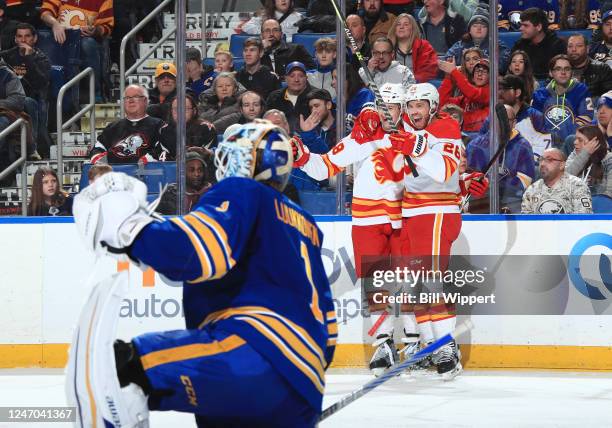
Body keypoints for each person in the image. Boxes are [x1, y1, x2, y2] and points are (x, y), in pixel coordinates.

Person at [71, 121, 336, 426]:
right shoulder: (306, 225)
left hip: (251, 355)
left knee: (121, 370)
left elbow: (198, 251)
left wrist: (131, 230)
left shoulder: (241, 191)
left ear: (241, 160)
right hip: (304, 388)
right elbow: (328, 334)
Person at [386, 82, 483, 379]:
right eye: (411, 106)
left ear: (433, 107)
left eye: (420, 105)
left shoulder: (446, 128)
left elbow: (443, 172)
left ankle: (446, 348)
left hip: (438, 210)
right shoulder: (402, 130)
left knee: (430, 280)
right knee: (415, 285)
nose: (414, 111)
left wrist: (415, 147)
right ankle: (429, 346)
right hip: (410, 213)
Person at [40, 0, 114, 101]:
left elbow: (107, 26)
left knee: (87, 44)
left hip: (85, 38)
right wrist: (55, 24)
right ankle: (49, 95)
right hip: (62, 36)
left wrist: (95, 30)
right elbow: (45, 13)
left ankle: (95, 93)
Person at [467, 104, 536, 213]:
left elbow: (524, 184)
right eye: (496, 119)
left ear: (514, 123)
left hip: (510, 202)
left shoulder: (523, 147)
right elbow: (470, 179)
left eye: (506, 120)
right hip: (480, 201)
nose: (500, 123)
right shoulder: (476, 145)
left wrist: (493, 185)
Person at [3, 22, 51, 158]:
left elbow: (40, 84)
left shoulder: (41, 58)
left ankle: (31, 150)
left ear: (34, 38)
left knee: (29, 102)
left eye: (27, 36)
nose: (23, 40)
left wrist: (28, 59)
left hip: (30, 98)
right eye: (19, 36)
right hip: (8, 98)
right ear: (15, 39)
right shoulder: (6, 56)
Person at [90, 85, 164, 164]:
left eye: (135, 96)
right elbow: (98, 147)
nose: (131, 101)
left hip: (145, 173)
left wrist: (149, 159)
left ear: (145, 100)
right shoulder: (113, 127)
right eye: (127, 98)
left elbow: (164, 148)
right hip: (115, 174)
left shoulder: (158, 125)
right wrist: (98, 159)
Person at [532, 54, 593, 148]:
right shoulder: (540, 94)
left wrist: (565, 134)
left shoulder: (581, 90)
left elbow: (586, 119)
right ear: (551, 73)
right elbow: (536, 124)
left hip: (573, 142)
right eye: (558, 69)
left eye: (567, 69)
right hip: (546, 143)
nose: (563, 72)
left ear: (572, 72)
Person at [521, 147, 593, 213]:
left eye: (549, 160)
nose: (542, 164)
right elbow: (525, 223)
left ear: (561, 165)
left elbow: (583, 220)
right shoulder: (531, 190)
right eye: (541, 160)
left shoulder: (577, 186)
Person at [497, 75, 550, 162]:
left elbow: (547, 143)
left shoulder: (534, 116)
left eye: (505, 89)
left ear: (517, 93)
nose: (500, 93)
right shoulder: (496, 115)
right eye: (499, 89)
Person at [445, 6, 511, 74]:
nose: (478, 28)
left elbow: (502, 66)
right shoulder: (460, 45)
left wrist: (481, 59)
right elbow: (448, 59)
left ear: (489, 31)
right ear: (469, 30)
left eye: (483, 26)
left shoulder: (497, 46)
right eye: (475, 26)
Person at [156, 94, 217, 160]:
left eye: (185, 109)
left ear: (194, 111)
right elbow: (163, 160)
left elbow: (211, 158)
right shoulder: (164, 131)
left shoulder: (207, 129)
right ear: (171, 111)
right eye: (176, 109)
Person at [511, 7, 567, 80]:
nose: (521, 28)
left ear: (539, 27)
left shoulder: (558, 46)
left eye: (525, 25)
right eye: (521, 25)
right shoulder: (519, 45)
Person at [156, 148, 216, 214]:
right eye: (191, 170)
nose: (196, 174)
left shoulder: (210, 192)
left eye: (200, 170)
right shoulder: (171, 193)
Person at [438, 57, 490, 132]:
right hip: (461, 133)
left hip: (478, 136)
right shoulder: (465, 99)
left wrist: (454, 72)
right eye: (476, 71)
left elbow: (473, 94)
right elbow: (443, 102)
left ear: (490, 77)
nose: (479, 74)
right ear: (472, 77)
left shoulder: (491, 93)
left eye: (484, 72)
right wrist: (448, 76)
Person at [387, 13, 438, 83]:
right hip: (391, 85)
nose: (401, 27)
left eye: (406, 24)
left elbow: (429, 71)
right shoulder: (387, 47)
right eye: (398, 24)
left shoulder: (423, 46)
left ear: (412, 29)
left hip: (417, 86)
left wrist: (410, 80)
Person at [266, 61, 314, 133]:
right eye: (292, 76)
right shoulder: (274, 97)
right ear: (285, 78)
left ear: (306, 78)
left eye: (301, 76)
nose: (296, 80)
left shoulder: (315, 96)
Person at [565, 125, 612, 198]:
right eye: (575, 139)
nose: (575, 142)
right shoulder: (575, 155)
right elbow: (564, 179)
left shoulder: (609, 159)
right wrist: (585, 154)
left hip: (599, 205)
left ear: (594, 142)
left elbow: (610, 193)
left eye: (580, 140)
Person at [331, 66, 375, 133]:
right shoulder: (334, 101)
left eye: (336, 78)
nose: (332, 83)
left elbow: (368, 123)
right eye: (332, 78)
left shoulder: (365, 94)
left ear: (348, 79)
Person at [567, 33, 612, 98]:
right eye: (570, 46)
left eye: (579, 46)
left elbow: (609, 97)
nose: (573, 49)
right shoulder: (561, 68)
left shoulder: (602, 69)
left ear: (587, 49)